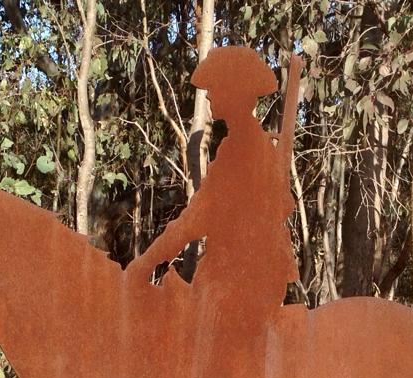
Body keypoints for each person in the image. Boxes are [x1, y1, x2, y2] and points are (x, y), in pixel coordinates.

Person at [127, 46, 299, 327]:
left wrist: (145, 263)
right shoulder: (240, 144)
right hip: (235, 273)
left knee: (195, 336)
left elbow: (196, 218)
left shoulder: (244, 149)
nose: (209, 94)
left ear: (234, 91)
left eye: (216, 87)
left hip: (244, 280)